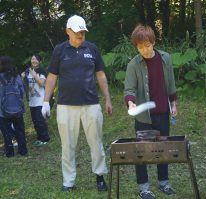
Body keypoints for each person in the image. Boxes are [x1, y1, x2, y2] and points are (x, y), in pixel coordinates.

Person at [41, 15, 113, 192]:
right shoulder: (60, 50)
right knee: (68, 145)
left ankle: (100, 176)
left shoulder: (92, 48)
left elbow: (101, 75)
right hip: (66, 106)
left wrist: (108, 99)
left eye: (83, 32)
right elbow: (51, 77)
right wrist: (45, 101)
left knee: (96, 142)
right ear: (68, 31)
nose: (81, 35)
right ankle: (68, 181)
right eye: (77, 32)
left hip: (91, 105)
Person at [124, 24, 177, 199]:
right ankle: (144, 187)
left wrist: (173, 103)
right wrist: (131, 103)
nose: (144, 50)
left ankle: (164, 182)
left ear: (153, 42)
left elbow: (170, 83)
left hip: (162, 111)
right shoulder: (134, 64)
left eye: (147, 45)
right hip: (143, 116)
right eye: (140, 47)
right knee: (142, 151)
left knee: (162, 149)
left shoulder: (165, 58)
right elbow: (129, 90)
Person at [0, 56, 27, 157]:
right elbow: (22, 91)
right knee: (20, 130)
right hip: (18, 109)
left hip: (2, 111)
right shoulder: (16, 76)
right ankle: (23, 150)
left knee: (6, 132)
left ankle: (9, 153)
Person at [22, 54, 50, 146]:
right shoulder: (27, 71)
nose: (33, 61)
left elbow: (42, 84)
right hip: (32, 101)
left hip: (40, 101)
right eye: (32, 59)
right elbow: (25, 85)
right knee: (35, 121)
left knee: (40, 120)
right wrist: (23, 78)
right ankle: (39, 138)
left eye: (36, 59)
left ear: (39, 61)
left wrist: (35, 76)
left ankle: (45, 139)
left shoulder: (41, 71)